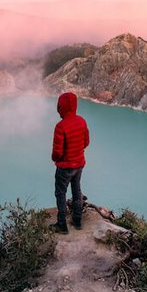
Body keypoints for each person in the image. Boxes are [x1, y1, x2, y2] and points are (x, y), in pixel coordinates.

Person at [50, 91, 90, 234]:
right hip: (79, 164)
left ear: (62, 107)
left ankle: (62, 225)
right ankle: (77, 220)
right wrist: (77, 152)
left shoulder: (60, 126)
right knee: (76, 190)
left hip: (65, 167)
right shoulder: (82, 121)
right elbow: (86, 142)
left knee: (60, 193)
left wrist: (55, 159)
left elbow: (57, 152)